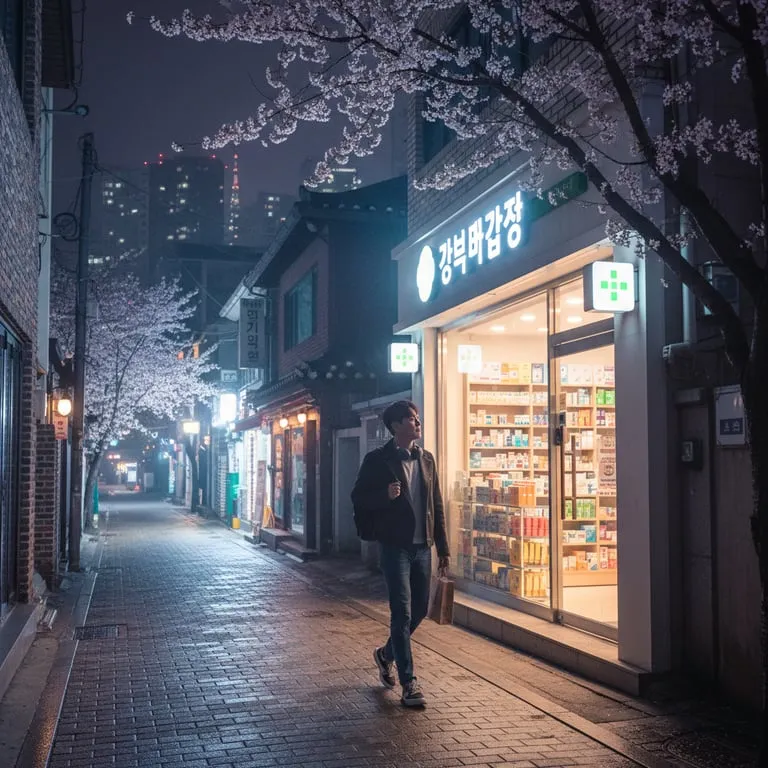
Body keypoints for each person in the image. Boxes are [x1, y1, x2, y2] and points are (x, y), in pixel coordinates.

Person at [351, 400, 450, 707]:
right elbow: (358, 497)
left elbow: (436, 505)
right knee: (402, 613)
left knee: (420, 609)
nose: (417, 422)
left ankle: (385, 655)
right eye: (410, 418)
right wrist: (385, 495)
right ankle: (409, 683)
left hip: (423, 548)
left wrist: (443, 548)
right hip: (395, 547)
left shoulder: (427, 459)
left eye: (417, 418)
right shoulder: (378, 460)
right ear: (395, 426)